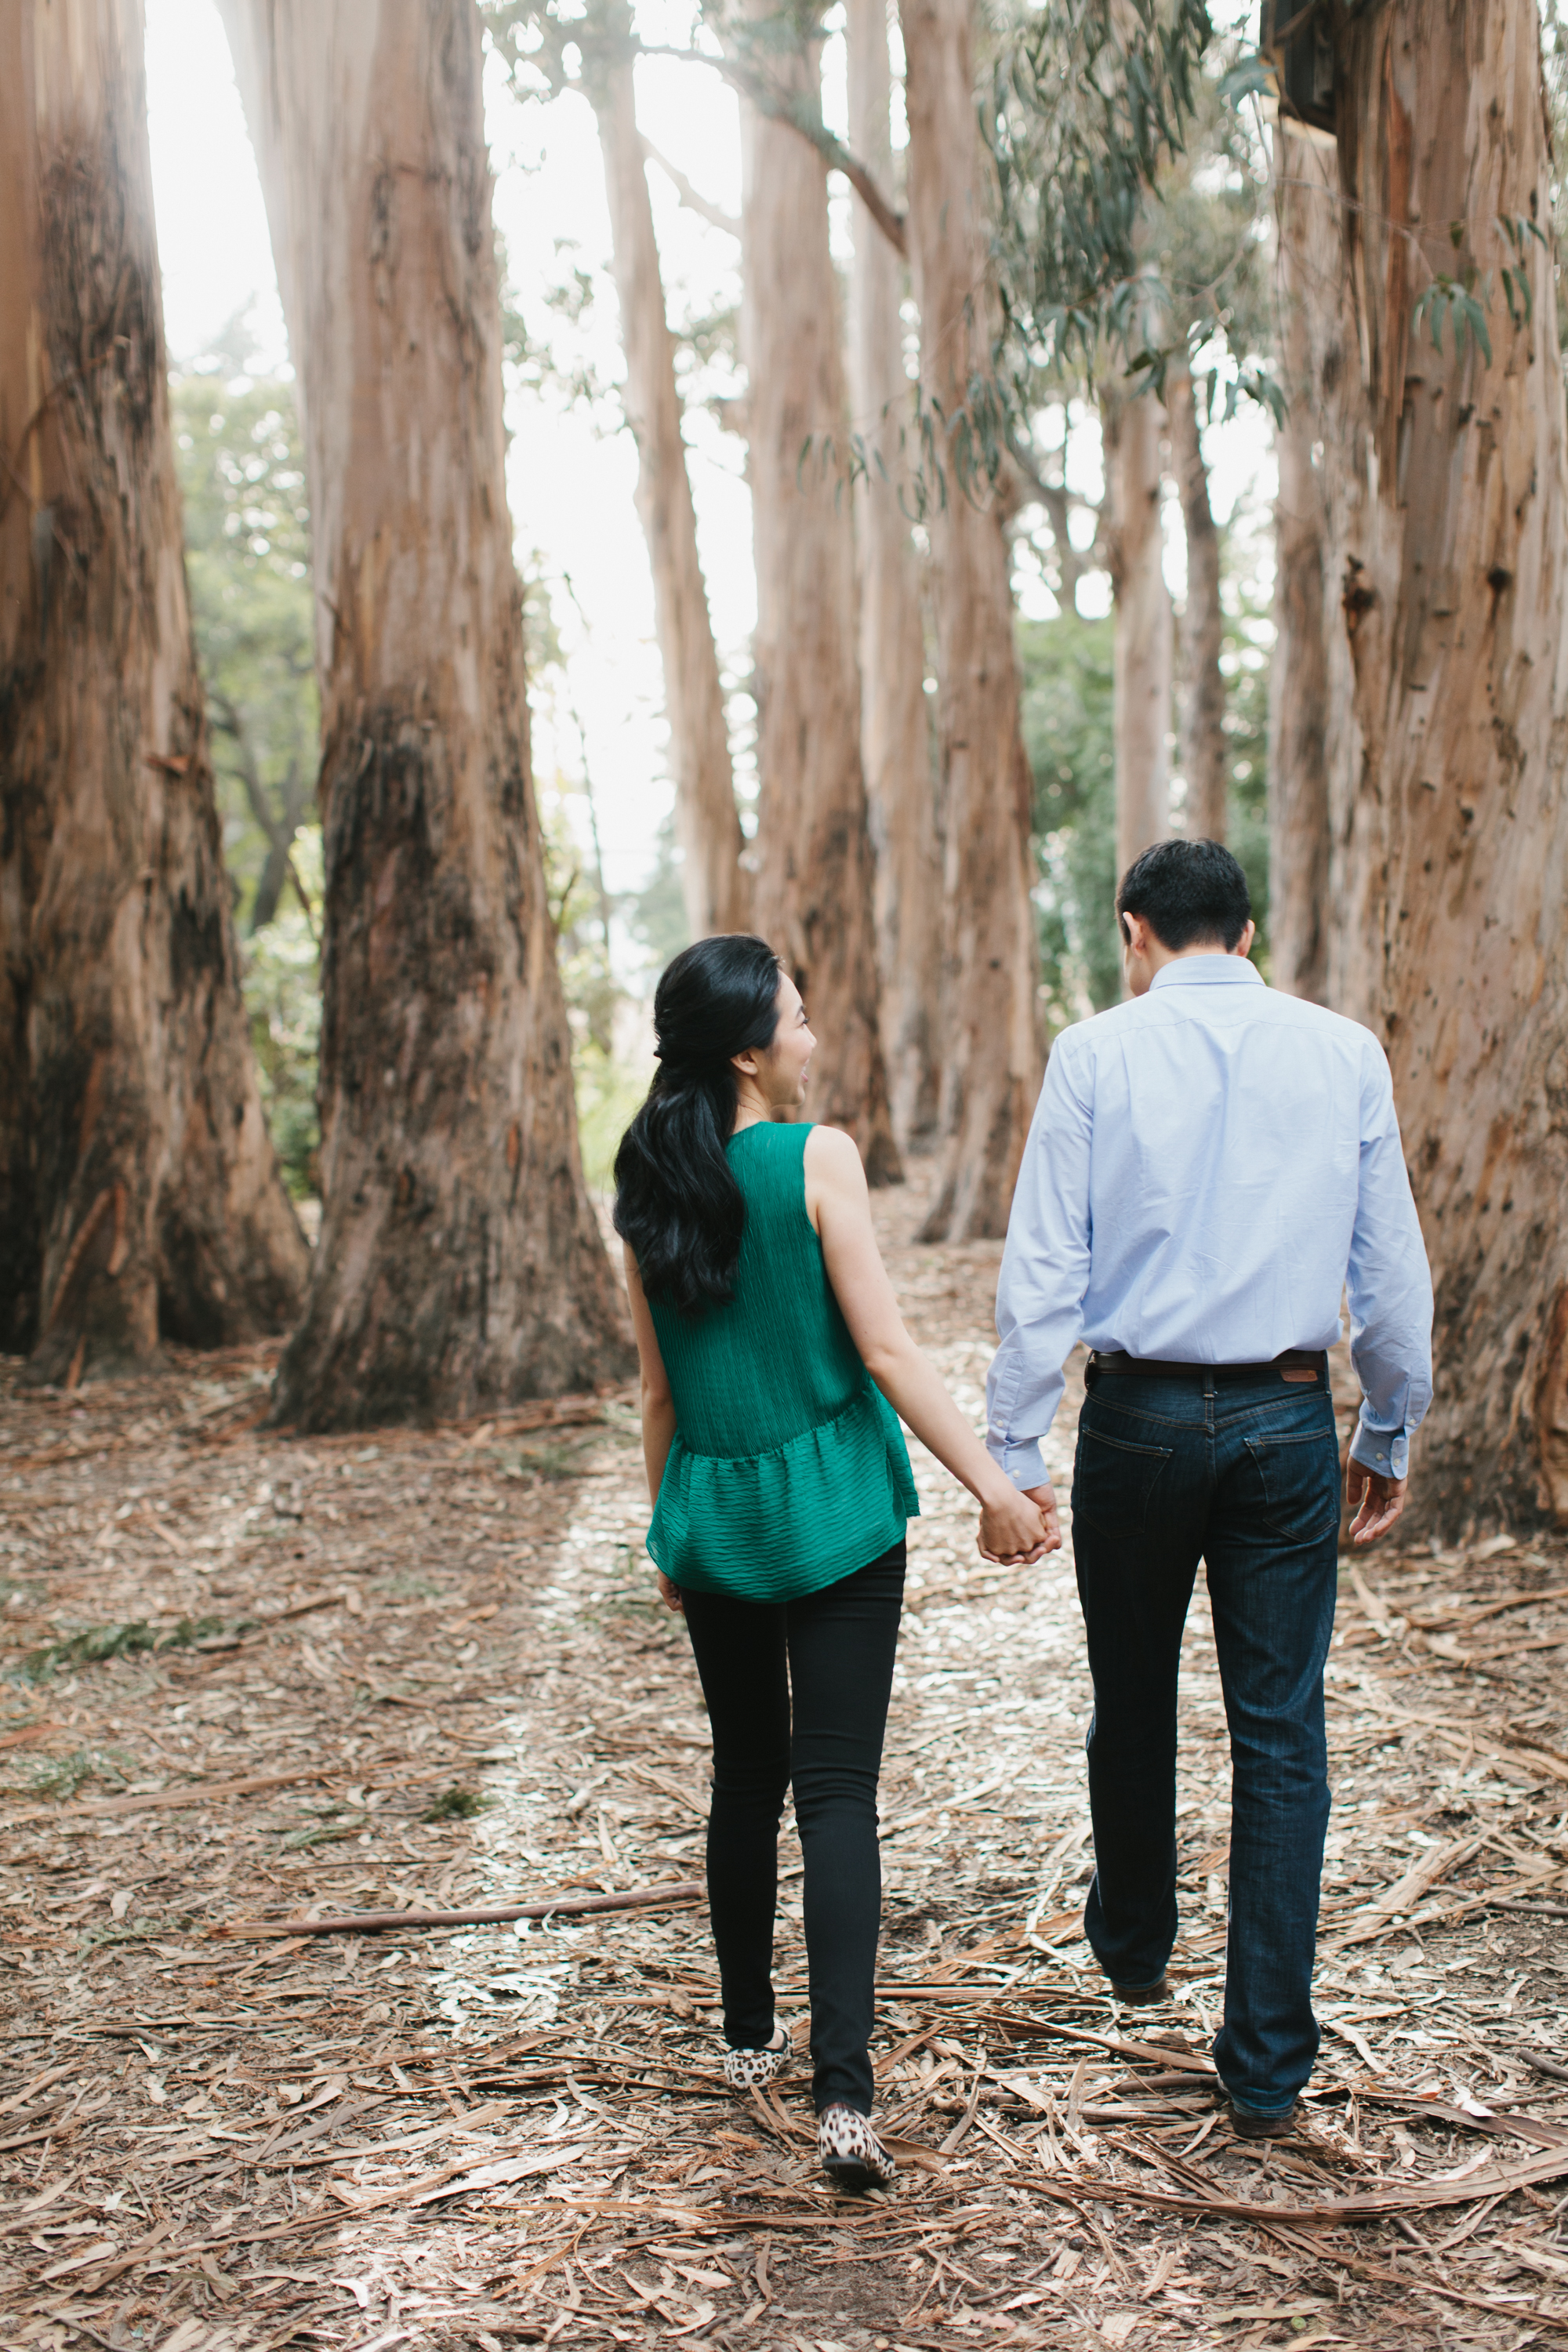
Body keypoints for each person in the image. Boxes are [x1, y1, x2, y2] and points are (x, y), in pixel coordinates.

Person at [985, 839, 1432, 2139]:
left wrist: (1017, 1456)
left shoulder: (1094, 1054)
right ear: (1248, 932)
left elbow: (1042, 1277)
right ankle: (1269, 2063)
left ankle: (1133, 1945)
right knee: (1282, 1734)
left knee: (1131, 1698)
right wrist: (1388, 1426)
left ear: (1136, 931)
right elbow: (1389, 1275)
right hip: (1291, 1421)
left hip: (1136, 1423)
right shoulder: (1342, 1051)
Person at [615, 935, 1052, 2192]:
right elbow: (889, 1353)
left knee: (744, 1776)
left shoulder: (647, 1179)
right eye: (797, 1020)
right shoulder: (818, 1158)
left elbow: (657, 1395)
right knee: (838, 1791)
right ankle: (844, 2098)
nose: (810, 1038)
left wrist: (667, 1533)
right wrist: (996, 1488)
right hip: (843, 1511)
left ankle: (748, 2028)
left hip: (719, 1517)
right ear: (749, 1048)